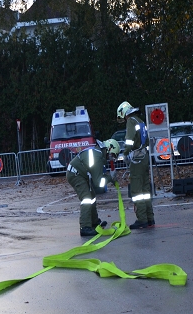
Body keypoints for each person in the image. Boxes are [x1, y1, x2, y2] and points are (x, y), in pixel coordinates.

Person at [66, 139, 120, 237]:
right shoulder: (98, 156)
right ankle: (85, 227)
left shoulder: (98, 153)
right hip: (75, 174)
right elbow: (98, 182)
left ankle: (94, 222)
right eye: (112, 155)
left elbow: (97, 175)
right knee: (86, 198)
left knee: (92, 197)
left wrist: (110, 178)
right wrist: (110, 178)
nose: (110, 158)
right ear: (109, 149)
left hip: (81, 174)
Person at [117, 101, 154, 229]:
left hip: (137, 159)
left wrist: (125, 153)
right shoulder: (140, 121)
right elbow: (146, 140)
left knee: (137, 191)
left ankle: (142, 219)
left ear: (124, 113)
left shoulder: (131, 121)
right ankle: (150, 218)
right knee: (145, 190)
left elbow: (129, 140)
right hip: (144, 157)